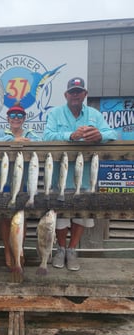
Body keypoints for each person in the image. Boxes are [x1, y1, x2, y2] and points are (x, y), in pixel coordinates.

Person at [43, 77, 117, 271]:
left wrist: (101, 135)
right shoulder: (55, 114)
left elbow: (113, 133)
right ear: (66, 95)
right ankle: (60, 249)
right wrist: (70, 135)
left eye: (79, 91)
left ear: (85, 94)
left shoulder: (94, 114)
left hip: (86, 178)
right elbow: (47, 136)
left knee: (81, 216)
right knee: (60, 218)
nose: (75, 95)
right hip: (60, 178)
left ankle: (72, 250)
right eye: (72, 92)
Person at [0, 102, 41, 269]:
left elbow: (40, 141)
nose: (16, 118)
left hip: (24, 184)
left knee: (20, 220)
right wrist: (13, 140)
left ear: (24, 118)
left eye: (19, 115)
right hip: (3, 184)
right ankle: (7, 252)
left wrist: (26, 141)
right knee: (4, 220)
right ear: (7, 118)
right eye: (13, 115)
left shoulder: (31, 133)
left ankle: (19, 250)